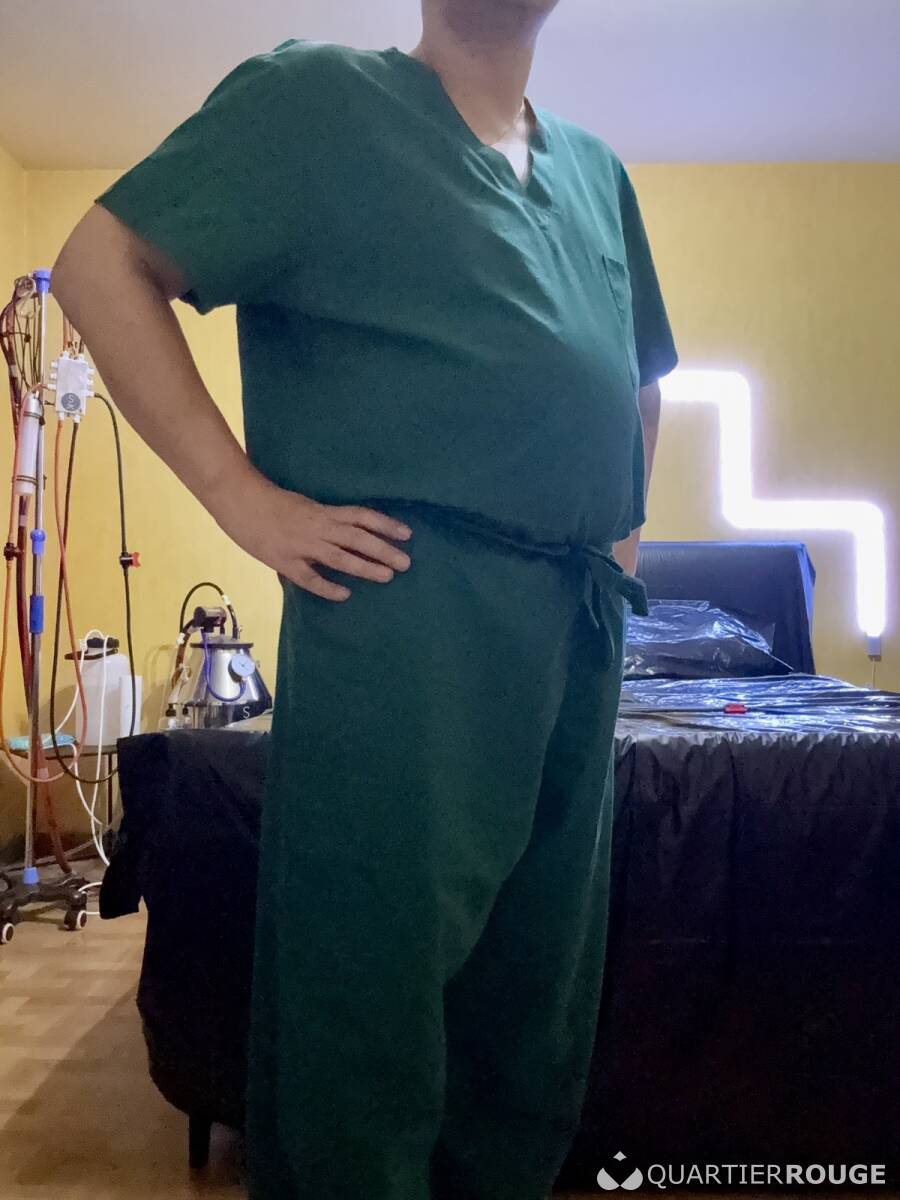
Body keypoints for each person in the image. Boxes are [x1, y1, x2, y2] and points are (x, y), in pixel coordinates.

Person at [51, 1, 678, 1196]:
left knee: (535, 995)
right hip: (409, 609)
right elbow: (98, 265)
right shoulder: (320, 102)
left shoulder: (597, 173)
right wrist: (243, 500)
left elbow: (638, 378)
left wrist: (624, 539)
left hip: (579, 620)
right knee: (367, 989)